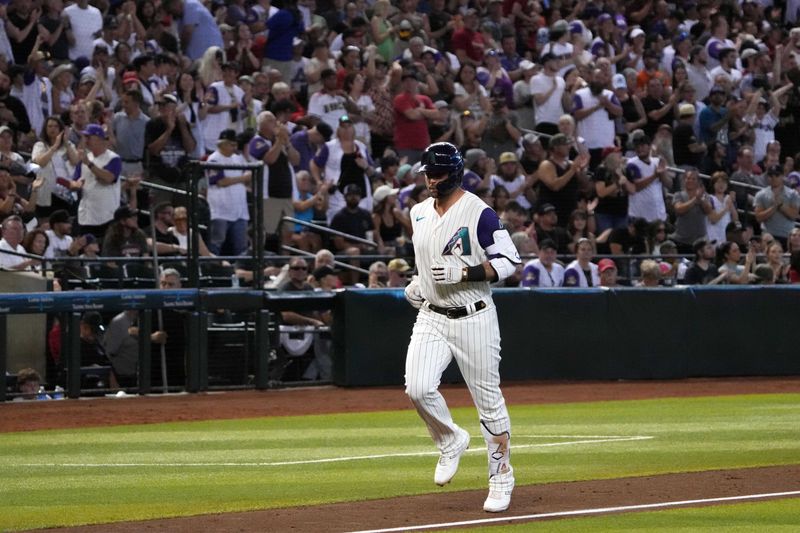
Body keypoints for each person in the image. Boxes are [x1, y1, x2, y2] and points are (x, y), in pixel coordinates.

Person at [403, 141, 520, 513]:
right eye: (427, 174)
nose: (430, 180)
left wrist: (466, 272)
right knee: (418, 388)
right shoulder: (418, 212)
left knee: (488, 402)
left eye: (435, 174)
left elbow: (509, 261)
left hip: (474, 316)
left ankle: (501, 475)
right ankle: (450, 440)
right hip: (432, 314)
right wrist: (419, 283)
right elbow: (427, 259)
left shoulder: (480, 213)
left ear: (453, 173)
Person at [206, 129, 251, 256]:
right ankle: (213, 272)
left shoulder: (238, 158)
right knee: (216, 245)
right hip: (220, 211)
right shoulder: (214, 159)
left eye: (235, 144)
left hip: (240, 211)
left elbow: (250, 174)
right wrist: (242, 179)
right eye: (231, 144)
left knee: (241, 248)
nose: (234, 147)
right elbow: (220, 181)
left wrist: (244, 178)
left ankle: (241, 273)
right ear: (222, 144)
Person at [754, 165, 800, 248]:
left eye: (777, 175)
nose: (774, 178)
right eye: (771, 175)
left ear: (782, 176)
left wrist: (781, 206)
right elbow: (759, 217)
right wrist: (774, 207)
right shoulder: (761, 194)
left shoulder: (793, 194)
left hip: (787, 237)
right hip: (768, 237)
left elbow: (794, 215)